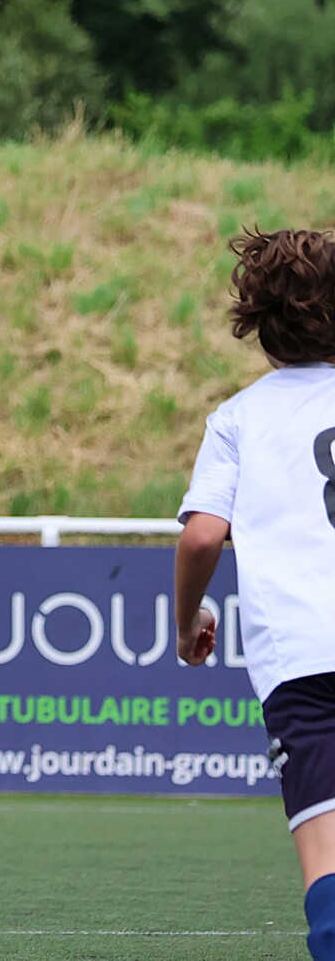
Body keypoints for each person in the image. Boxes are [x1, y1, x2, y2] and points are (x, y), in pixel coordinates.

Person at [175, 228, 335, 961]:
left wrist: (187, 624)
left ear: (258, 323)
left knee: (328, 871)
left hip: (303, 663)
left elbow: (203, 536)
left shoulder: (240, 417)